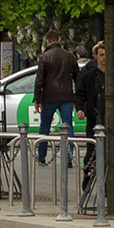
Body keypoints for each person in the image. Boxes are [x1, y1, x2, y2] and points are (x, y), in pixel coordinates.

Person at [34, 28, 78, 164]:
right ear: (59, 40)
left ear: (47, 41)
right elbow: (77, 77)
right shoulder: (69, 56)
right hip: (66, 96)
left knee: (45, 127)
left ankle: (41, 156)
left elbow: (39, 80)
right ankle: (69, 157)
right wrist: (77, 98)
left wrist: (37, 98)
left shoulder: (45, 57)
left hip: (49, 97)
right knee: (67, 127)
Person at [74, 41, 108, 191]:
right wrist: (80, 109)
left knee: (108, 152)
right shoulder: (89, 75)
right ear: (96, 56)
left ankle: (107, 184)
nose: (104, 58)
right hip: (93, 118)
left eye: (107, 55)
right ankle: (87, 178)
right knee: (90, 151)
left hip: (110, 118)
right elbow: (80, 94)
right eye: (101, 55)